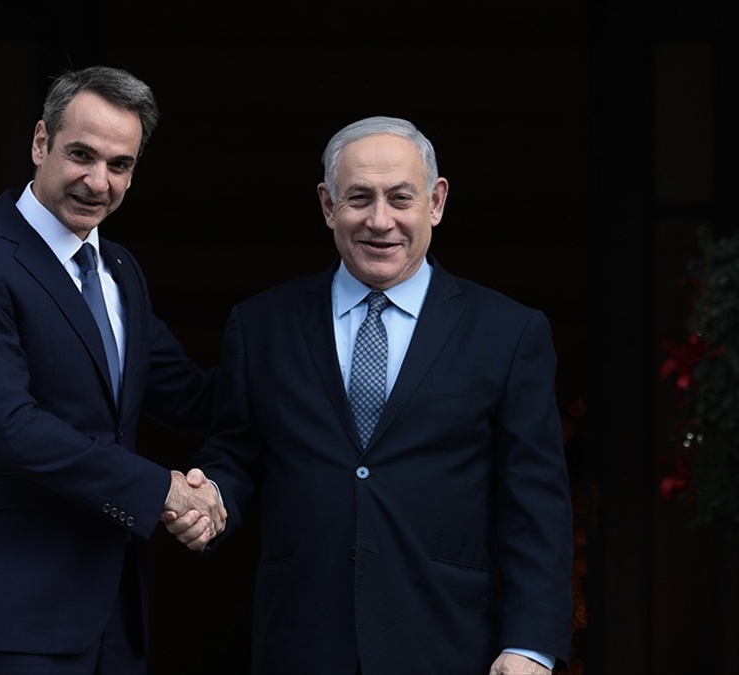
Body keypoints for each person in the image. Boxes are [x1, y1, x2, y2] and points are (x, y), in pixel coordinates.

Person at [164, 116, 573, 675]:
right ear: (328, 205)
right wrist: (211, 496)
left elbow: (536, 502)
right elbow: (237, 451)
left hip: (446, 644)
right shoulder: (262, 325)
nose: (380, 221)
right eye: (359, 198)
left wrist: (530, 645)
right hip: (300, 641)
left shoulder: (507, 332)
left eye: (401, 198)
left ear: (436, 202)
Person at [0, 65, 225, 675]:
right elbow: (9, 427)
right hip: (7, 622)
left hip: (112, 618)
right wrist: (159, 489)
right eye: (81, 155)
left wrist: (305, 352)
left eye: (119, 164)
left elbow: (189, 396)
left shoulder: (120, 270)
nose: (97, 181)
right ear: (41, 142)